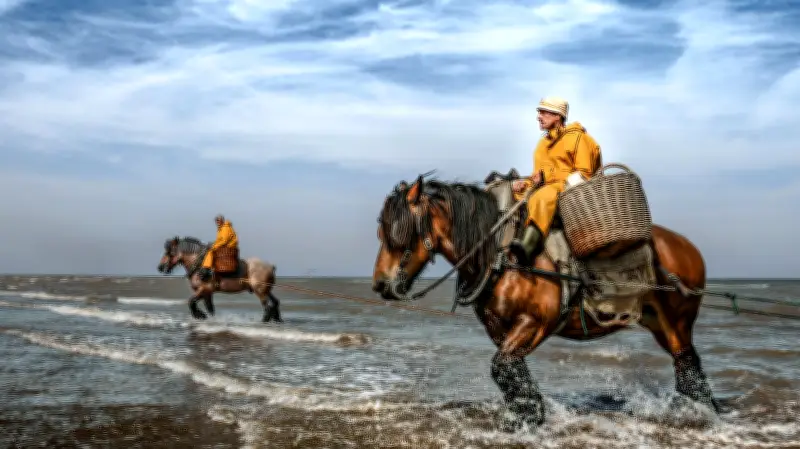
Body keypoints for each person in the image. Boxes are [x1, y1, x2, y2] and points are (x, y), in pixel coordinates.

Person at [508, 96, 603, 266]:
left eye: (543, 112)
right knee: (511, 193)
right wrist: (526, 184)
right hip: (550, 189)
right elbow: (537, 176)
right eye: (539, 112)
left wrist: (547, 178)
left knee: (543, 196)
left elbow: (584, 175)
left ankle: (527, 247)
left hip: (574, 192)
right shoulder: (541, 145)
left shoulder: (579, 138)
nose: (538, 116)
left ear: (557, 116)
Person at [198, 214, 239, 281]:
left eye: (218, 220)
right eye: (216, 221)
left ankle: (206, 268)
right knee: (209, 248)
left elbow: (224, 240)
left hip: (229, 246)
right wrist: (213, 244)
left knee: (210, 252)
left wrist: (214, 246)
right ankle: (208, 267)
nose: (217, 222)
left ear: (222, 220)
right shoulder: (220, 229)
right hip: (225, 245)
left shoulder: (225, 228)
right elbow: (219, 240)